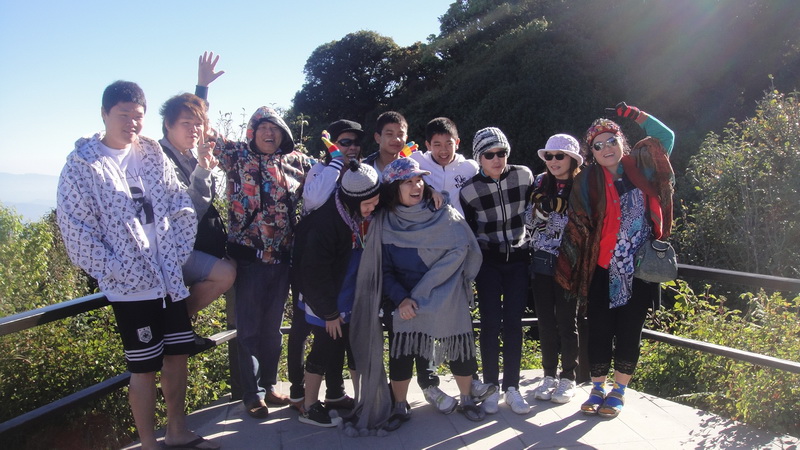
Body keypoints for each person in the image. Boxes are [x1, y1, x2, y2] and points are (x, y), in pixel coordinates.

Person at [57, 81, 218, 449]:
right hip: (131, 289)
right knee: (143, 369)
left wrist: (176, 254)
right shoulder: (82, 166)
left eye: (138, 115)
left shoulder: (150, 154)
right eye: (123, 114)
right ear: (104, 114)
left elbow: (180, 204)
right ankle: (148, 444)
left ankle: (177, 431)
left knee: (177, 357)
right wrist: (119, 270)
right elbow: (77, 232)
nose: (131, 122)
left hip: (168, 278)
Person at [557, 102, 675, 418]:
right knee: (598, 329)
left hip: (640, 269)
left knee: (629, 330)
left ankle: (618, 391)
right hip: (601, 267)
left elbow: (666, 137)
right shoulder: (587, 181)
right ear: (592, 153)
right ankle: (597, 388)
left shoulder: (643, 166)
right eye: (598, 145)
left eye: (611, 140)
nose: (606, 148)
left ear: (622, 141)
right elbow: (578, 224)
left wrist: (634, 113)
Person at [372, 158, 495, 429]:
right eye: (408, 182)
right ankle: (400, 405)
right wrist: (402, 298)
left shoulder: (443, 213)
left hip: (445, 290)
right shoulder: (384, 222)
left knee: (460, 344)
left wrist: (432, 290)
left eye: (419, 180)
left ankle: (467, 398)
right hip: (404, 296)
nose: (416, 186)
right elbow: (384, 269)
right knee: (401, 348)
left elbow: (463, 250)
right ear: (393, 189)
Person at [214, 105, 313, 419]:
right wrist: (202, 88)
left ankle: (269, 386)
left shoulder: (296, 162)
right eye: (263, 128)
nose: (270, 133)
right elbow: (202, 133)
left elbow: (332, 174)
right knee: (249, 331)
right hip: (249, 259)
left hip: (283, 259)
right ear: (252, 132)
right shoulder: (236, 156)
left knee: (272, 329)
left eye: (275, 129)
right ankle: (253, 395)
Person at [292, 161, 381, 427]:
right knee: (324, 346)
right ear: (353, 201)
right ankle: (309, 407)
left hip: (348, 292)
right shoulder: (325, 223)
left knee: (353, 346)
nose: (373, 208)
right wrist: (329, 314)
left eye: (375, 202)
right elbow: (313, 273)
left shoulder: (352, 212)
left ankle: (357, 400)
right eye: (368, 204)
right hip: (325, 298)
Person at [288, 119, 364, 412]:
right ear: (332, 144)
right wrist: (334, 162)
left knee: (336, 331)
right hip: (314, 262)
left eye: (355, 143)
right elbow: (314, 199)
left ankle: (334, 392)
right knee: (304, 328)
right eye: (344, 142)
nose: (351, 148)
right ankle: (299, 394)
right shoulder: (320, 170)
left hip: (345, 263)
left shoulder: (358, 172)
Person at [459, 127, 533, 415]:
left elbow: (535, 211)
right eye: (489, 154)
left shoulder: (524, 175)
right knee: (490, 324)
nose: (496, 159)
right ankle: (491, 385)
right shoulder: (468, 190)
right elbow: (467, 230)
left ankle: (512, 387)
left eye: (501, 152)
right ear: (479, 157)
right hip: (487, 262)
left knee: (514, 322)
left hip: (518, 258)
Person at [158, 54, 235, 321]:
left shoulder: (188, 154)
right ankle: (174, 325)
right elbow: (188, 213)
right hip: (171, 252)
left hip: (194, 246)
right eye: (185, 124)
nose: (194, 130)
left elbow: (196, 117)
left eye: (198, 125)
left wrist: (202, 87)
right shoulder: (159, 159)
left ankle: (177, 326)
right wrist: (203, 170)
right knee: (225, 274)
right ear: (168, 125)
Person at [526, 134, 583, 404]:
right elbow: (528, 220)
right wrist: (544, 213)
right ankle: (549, 375)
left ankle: (568, 377)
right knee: (545, 321)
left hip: (570, 262)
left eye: (560, 156)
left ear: (573, 159)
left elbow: (586, 221)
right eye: (549, 156)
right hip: (541, 259)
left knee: (567, 322)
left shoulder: (582, 186)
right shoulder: (540, 182)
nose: (553, 161)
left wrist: (555, 211)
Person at [410, 117, 478, 217]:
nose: (444, 150)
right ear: (428, 145)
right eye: (437, 145)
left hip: (459, 224)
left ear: (457, 143)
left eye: (449, 144)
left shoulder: (470, 168)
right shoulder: (415, 161)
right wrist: (429, 190)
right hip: (426, 224)